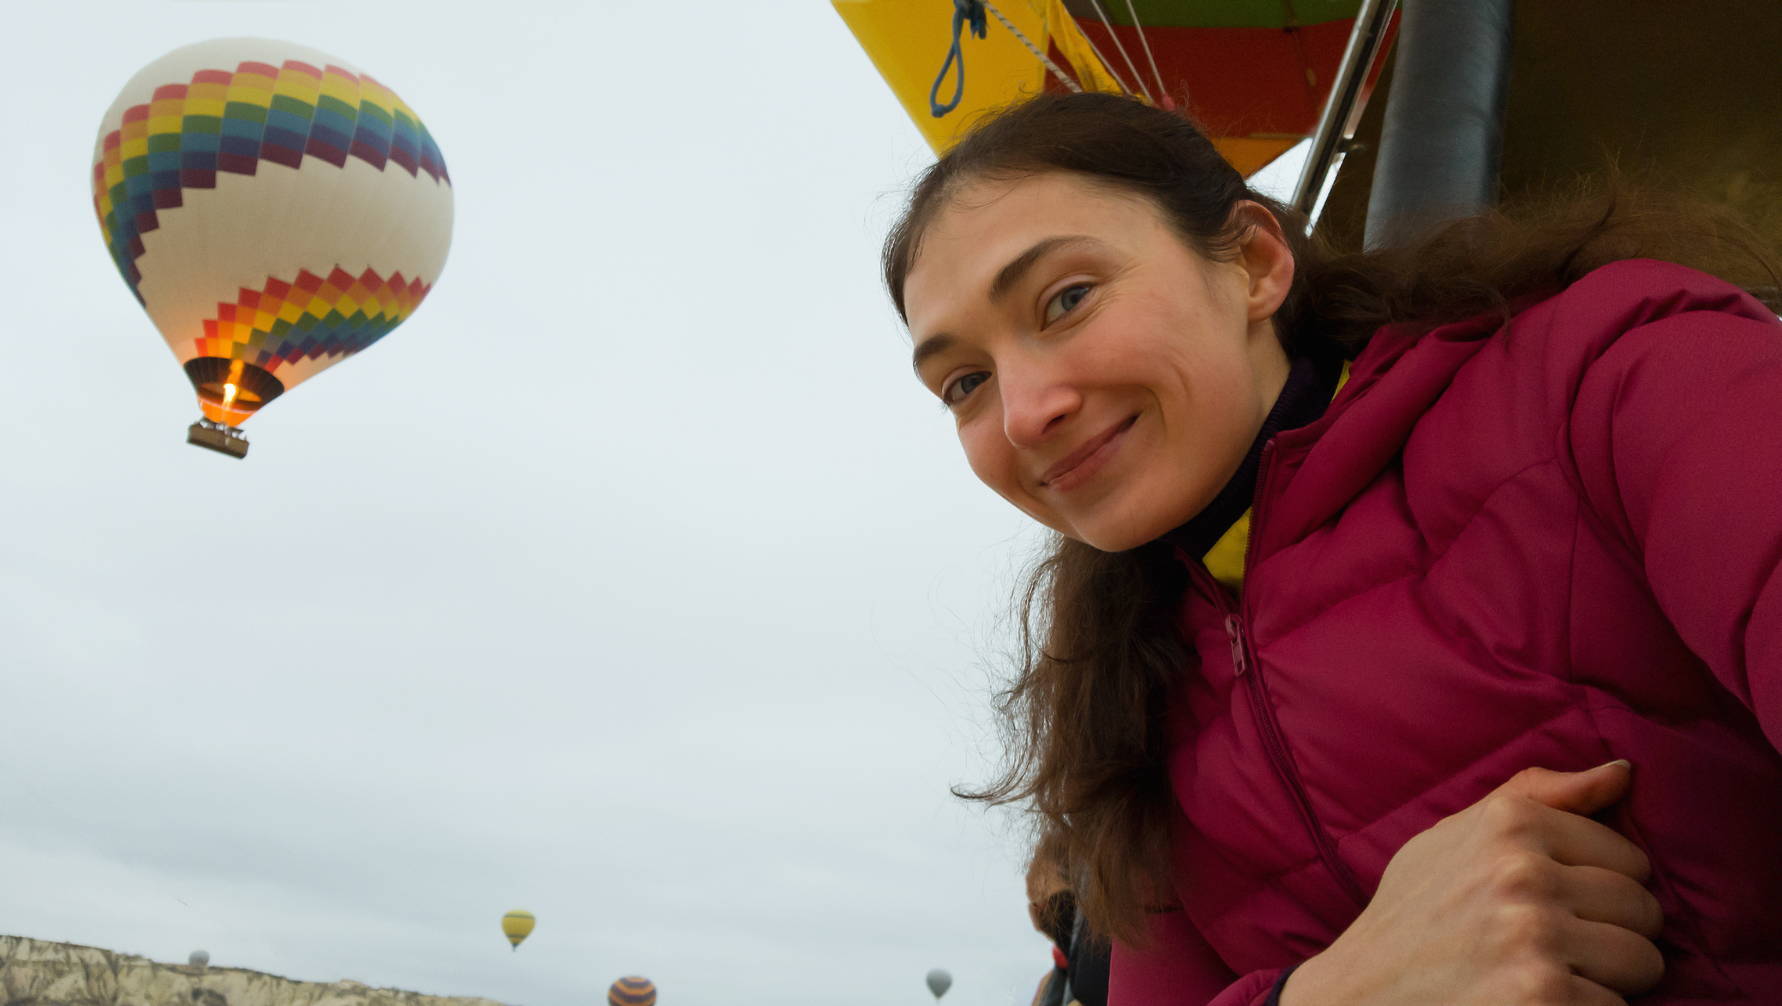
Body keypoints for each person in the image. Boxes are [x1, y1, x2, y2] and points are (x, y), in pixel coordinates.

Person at [882, 91, 1782, 1005]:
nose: (1026, 411)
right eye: (965, 382)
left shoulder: (1611, 379)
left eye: (1067, 299)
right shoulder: (1133, 705)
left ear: (1254, 263)